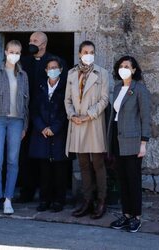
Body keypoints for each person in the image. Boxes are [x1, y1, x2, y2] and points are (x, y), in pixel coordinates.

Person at [20, 32, 68, 202]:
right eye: (30, 40)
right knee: (27, 156)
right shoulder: (23, 61)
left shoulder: (52, 62)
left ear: (44, 44)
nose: (31, 43)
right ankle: (27, 191)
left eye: (35, 41)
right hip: (29, 115)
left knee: (52, 159)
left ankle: (53, 196)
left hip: (49, 117)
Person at [0, 40, 29, 215]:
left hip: (17, 121)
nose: (14, 55)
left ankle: (8, 199)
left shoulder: (23, 75)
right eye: (11, 51)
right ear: (5, 52)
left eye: (17, 52)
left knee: (12, 160)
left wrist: (25, 124)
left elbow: (26, 102)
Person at [65, 40, 109, 219]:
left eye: (91, 51)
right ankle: (87, 201)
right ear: (79, 54)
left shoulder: (102, 73)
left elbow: (104, 99)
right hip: (77, 123)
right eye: (85, 51)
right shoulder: (71, 73)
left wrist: (89, 115)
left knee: (98, 163)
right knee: (83, 164)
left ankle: (101, 201)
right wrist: (71, 115)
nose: (88, 54)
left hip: (93, 122)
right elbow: (67, 99)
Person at [108, 56, 151, 233]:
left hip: (133, 140)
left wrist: (144, 143)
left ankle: (136, 217)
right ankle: (126, 214)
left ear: (133, 70)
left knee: (133, 180)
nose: (123, 68)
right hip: (118, 138)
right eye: (121, 66)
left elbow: (145, 117)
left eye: (127, 66)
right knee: (122, 180)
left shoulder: (139, 89)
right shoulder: (118, 88)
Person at [29, 56, 68, 212]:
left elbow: (66, 111)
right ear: (45, 70)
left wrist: (55, 127)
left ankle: (59, 200)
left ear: (60, 70)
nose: (52, 70)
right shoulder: (39, 87)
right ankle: (44, 199)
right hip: (42, 134)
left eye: (55, 67)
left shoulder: (65, 88)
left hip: (59, 134)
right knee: (44, 170)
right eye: (49, 68)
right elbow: (33, 110)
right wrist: (42, 127)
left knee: (60, 169)